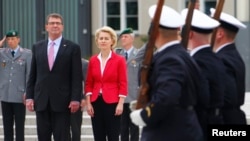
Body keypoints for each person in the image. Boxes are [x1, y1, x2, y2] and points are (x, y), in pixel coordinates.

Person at [130, 5, 203, 141]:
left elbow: (168, 96)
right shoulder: (181, 55)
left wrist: (146, 114)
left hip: (170, 131)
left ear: (154, 33)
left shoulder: (169, 59)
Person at [25, 13, 83, 141]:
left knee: (62, 137)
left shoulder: (73, 48)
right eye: (52, 23)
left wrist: (76, 99)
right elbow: (33, 74)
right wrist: (29, 96)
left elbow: (76, 77)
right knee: (43, 137)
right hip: (41, 101)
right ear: (46, 27)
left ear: (62, 27)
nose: (55, 25)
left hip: (63, 102)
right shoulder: (37, 47)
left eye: (58, 23)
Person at [182, 9, 225, 140]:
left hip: (201, 124)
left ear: (189, 34)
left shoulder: (197, 62)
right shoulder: (215, 58)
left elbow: (200, 98)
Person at [85, 26, 128, 141]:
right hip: (96, 102)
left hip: (113, 102)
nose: (103, 41)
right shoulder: (93, 60)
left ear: (112, 41)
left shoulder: (119, 60)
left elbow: (123, 82)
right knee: (98, 136)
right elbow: (89, 83)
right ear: (97, 41)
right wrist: (88, 103)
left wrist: (121, 103)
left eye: (106, 38)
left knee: (113, 136)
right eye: (101, 38)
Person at [210, 8, 247, 124]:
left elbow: (227, 98)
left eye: (211, 30)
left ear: (220, 34)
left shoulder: (222, 59)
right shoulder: (232, 55)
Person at [0, 30, 32, 141]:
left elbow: (29, 75)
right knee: (7, 125)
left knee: (19, 126)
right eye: (8, 39)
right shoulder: (2, 52)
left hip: (19, 95)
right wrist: (0, 43)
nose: (10, 41)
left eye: (13, 39)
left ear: (18, 39)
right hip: (5, 94)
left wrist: (27, 92)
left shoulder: (27, 54)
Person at [118, 28, 145, 141]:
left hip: (134, 95)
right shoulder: (117, 53)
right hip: (120, 96)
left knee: (134, 126)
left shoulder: (138, 54)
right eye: (122, 37)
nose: (123, 38)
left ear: (132, 39)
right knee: (122, 127)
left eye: (126, 36)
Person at [69, 58, 89, 141]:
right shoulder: (58, 60)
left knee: (75, 128)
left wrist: (84, 98)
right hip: (60, 99)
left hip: (77, 99)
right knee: (62, 130)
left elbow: (87, 81)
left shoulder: (83, 63)